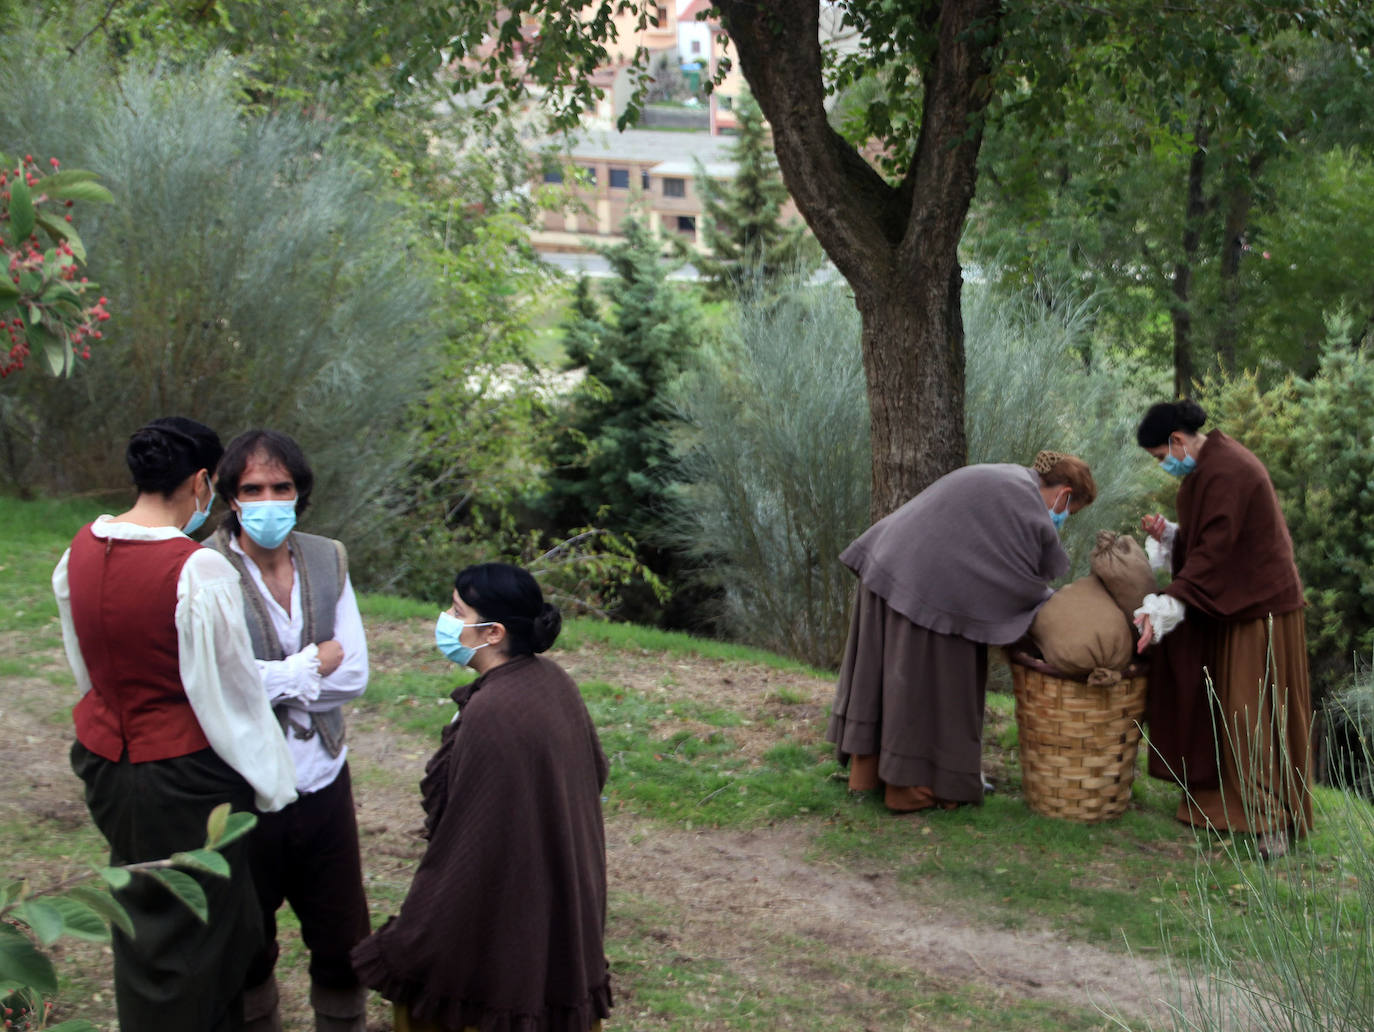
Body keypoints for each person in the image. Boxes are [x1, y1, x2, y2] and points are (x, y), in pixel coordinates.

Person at [53, 416, 297, 1032]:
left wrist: (111, 723)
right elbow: (229, 697)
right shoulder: (195, 570)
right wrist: (270, 782)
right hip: (185, 780)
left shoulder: (80, 548)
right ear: (199, 481)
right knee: (197, 937)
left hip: (108, 763)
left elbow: (84, 662)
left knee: (142, 915)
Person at [351, 563, 612, 1032]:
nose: (444, 620)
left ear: (492, 632)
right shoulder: (553, 680)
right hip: (559, 889)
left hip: (511, 894)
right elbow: (596, 772)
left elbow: (467, 837)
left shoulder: (492, 711)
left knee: (445, 977)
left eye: (456, 610)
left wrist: (427, 922)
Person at [205, 430, 371, 1032]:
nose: (269, 499)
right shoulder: (203, 569)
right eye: (253, 488)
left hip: (324, 778)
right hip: (244, 789)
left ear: (300, 493)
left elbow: (353, 673)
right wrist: (306, 666)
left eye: (281, 487)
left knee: (343, 938)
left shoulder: (327, 557)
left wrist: (262, 680)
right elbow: (213, 685)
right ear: (230, 498)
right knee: (247, 942)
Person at [827, 451, 1097, 811]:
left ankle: (869, 773)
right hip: (920, 584)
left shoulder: (1010, 478)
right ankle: (911, 787)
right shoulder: (1025, 500)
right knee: (932, 682)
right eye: (1069, 512)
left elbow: (987, 558)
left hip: (892, 564)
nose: (1061, 521)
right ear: (1063, 494)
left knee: (892, 675)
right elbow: (1020, 582)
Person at [1132, 400, 1312, 858]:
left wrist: (1167, 603)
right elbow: (1208, 537)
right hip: (1237, 602)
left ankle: (1271, 817)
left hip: (1260, 608)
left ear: (1177, 440)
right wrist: (1172, 535)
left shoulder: (1227, 469)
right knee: (1225, 708)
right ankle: (1226, 802)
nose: (1164, 466)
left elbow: (1215, 552)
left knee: (1249, 714)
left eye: (1160, 456)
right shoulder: (1209, 465)